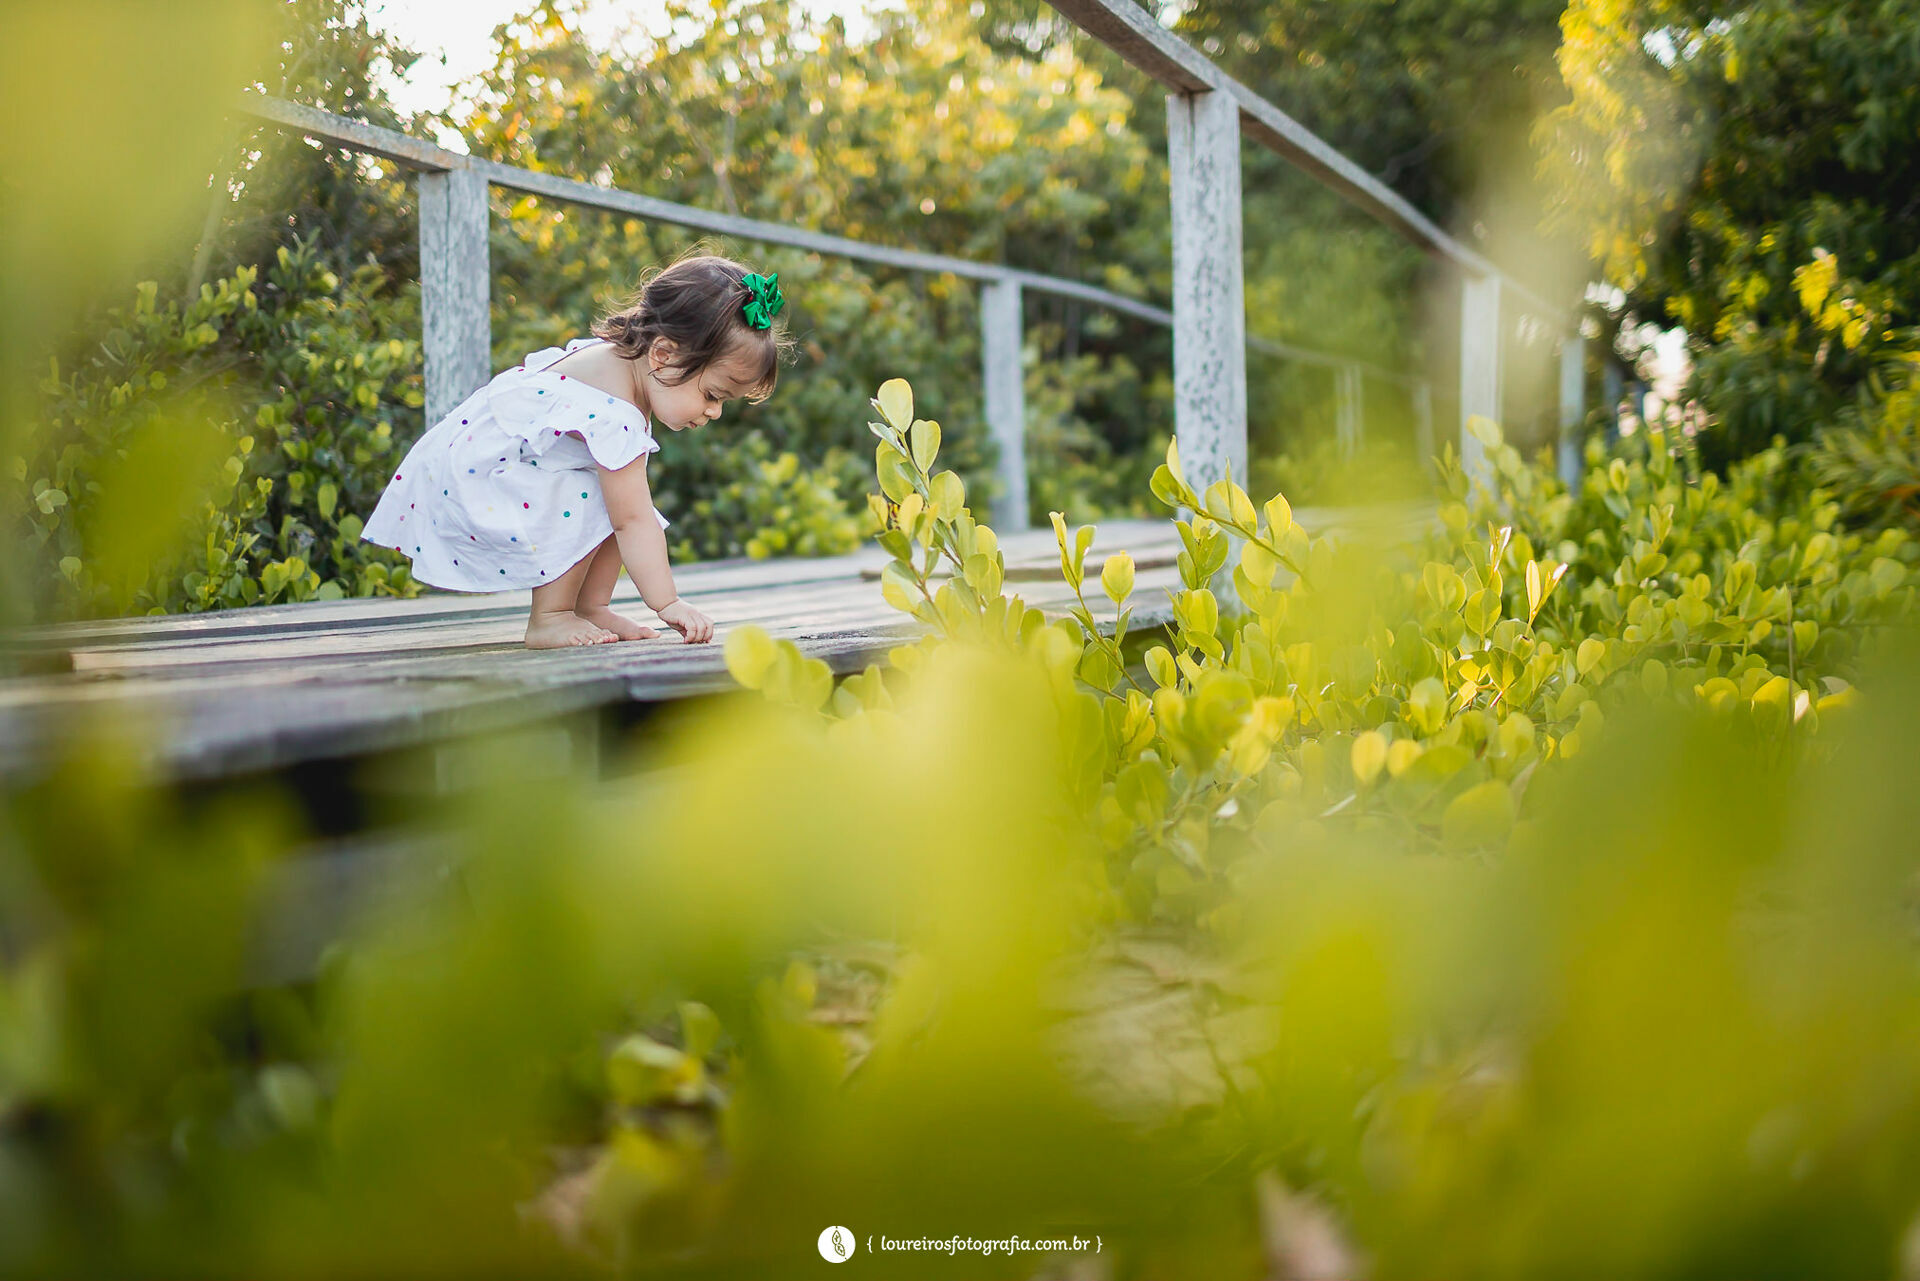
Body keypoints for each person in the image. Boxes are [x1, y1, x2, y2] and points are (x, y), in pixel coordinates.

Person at [363, 253, 789, 648]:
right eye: (713, 395)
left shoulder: (620, 364)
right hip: (476, 479)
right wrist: (667, 603)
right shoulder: (617, 413)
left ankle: (591, 607)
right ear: (662, 355)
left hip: (479, 464)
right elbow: (634, 522)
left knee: (615, 496)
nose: (714, 412)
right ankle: (551, 616)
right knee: (603, 499)